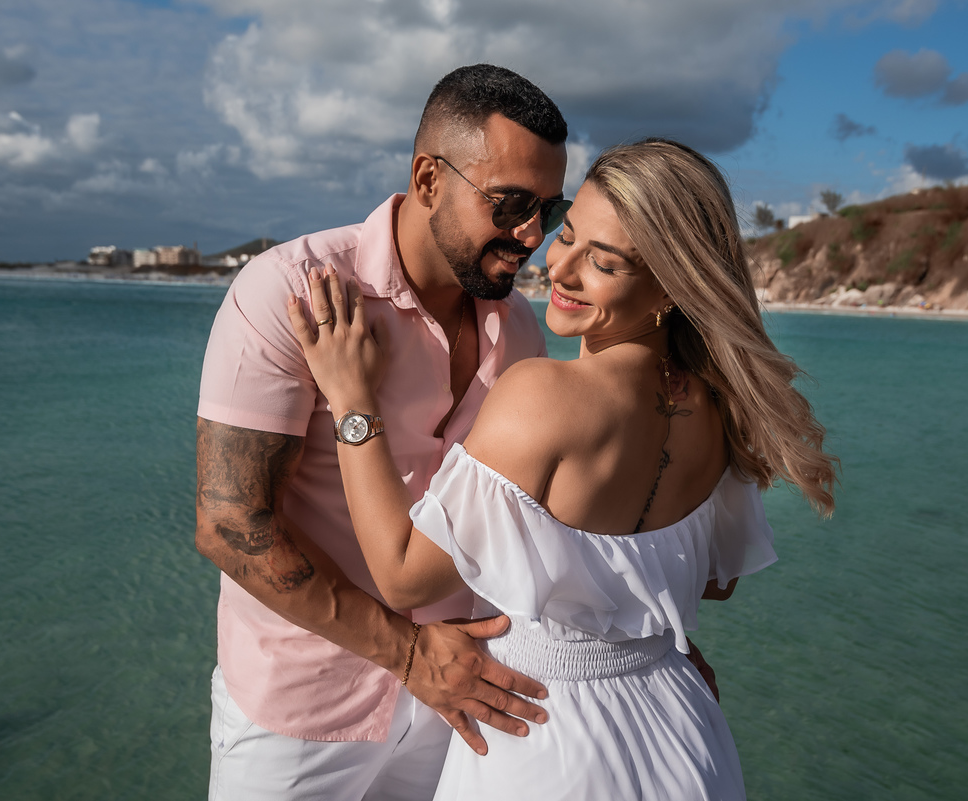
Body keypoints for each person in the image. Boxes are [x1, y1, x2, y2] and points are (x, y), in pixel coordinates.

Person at [287, 138, 839, 800]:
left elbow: (403, 574)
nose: (558, 267)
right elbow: (709, 583)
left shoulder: (542, 396)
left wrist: (352, 400)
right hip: (682, 731)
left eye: (601, 261)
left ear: (671, 286)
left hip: (543, 735)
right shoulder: (721, 410)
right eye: (566, 234)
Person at [193, 64, 570, 800]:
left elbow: (527, 517)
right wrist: (408, 656)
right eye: (511, 203)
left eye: (549, 212)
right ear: (429, 178)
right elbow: (228, 522)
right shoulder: (292, 291)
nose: (531, 236)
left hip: (462, 695)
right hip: (301, 712)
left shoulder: (520, 328)